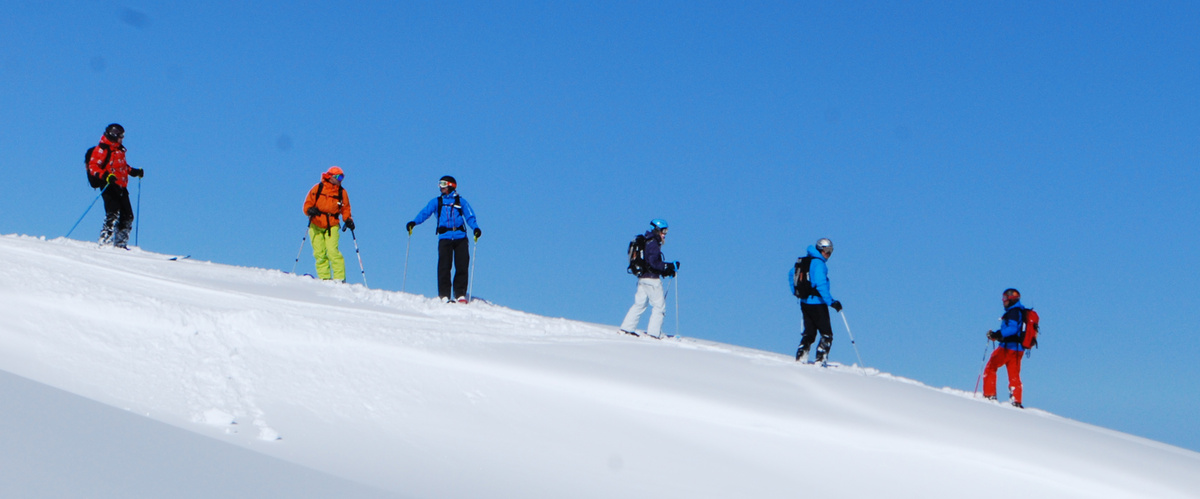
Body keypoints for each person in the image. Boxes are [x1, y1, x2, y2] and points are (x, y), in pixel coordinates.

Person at [406, 176, 481, 303]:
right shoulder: (437, 202)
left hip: (460, 237)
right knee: (444, 266)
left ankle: (460, 294)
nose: (441, 187)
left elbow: (470, 216)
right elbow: (425, 213)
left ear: (451, 185)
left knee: (462, 265)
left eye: (443, 184)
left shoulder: (461, 202)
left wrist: (475, 228)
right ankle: (444, 295)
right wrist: (414, 222)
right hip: (445, 237)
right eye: (440, 184)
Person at [619, 219, 679, 339]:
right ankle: (654, 333)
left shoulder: (647, 241)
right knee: (659, 306)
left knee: (640, 303)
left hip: (643, 279)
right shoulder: (653, 243)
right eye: (663, 230)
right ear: (657, 229)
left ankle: (627, 328)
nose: (665, 233)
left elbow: (650, 263)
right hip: (652, 280)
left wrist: (665, 270)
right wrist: (669, 266)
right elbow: (653, 263)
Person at [87, 123, 144, 248]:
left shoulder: (119, 149)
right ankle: (105, 241)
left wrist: (134, 171)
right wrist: (105, 176)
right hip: (109, 185)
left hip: (121, 186)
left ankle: (120, 244)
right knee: (112, 213)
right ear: (114, 135)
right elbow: (93, 166)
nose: (122, 139)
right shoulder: (102, 149)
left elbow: (122, 167)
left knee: (128, 215)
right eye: (120, 136)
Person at [789, 238, 842, 364]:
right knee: (826, 334)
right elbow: (821, 284)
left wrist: (796, 292)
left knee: (809, 333)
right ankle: (820, 359)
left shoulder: (805, 261)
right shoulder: (819, 264)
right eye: (826, 251)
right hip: (817, 303)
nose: (828, 254)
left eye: (831, 251)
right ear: (820, 249)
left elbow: (791, 274)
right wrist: (831, 302)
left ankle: (801, 355)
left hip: (805, 302)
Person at [302, 166, 355, 281]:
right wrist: (310, 210)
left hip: (332, 225)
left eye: (342, 177)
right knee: (320, 253)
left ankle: (340, 278)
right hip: (316, 224)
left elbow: (345, 208)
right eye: (339, 177)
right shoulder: (318, 189)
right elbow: (307, 204)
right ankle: (324, 278)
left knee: (332, 251)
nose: (341, 180)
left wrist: (348, 219)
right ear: (330, 177)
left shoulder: (342, 193)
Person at [983, 288, 1029, 408]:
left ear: (1011, 300)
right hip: (1018, 350)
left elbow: (1012, 329)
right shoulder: (1020, 311)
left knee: (991, 366)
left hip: (1007, 348)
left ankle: (989, 395)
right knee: (1014, 375)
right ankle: (1016, 401)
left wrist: (998, 334)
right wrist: (998, 335)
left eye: (1005, 298)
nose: (1003, 301)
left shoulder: (1013, 312)